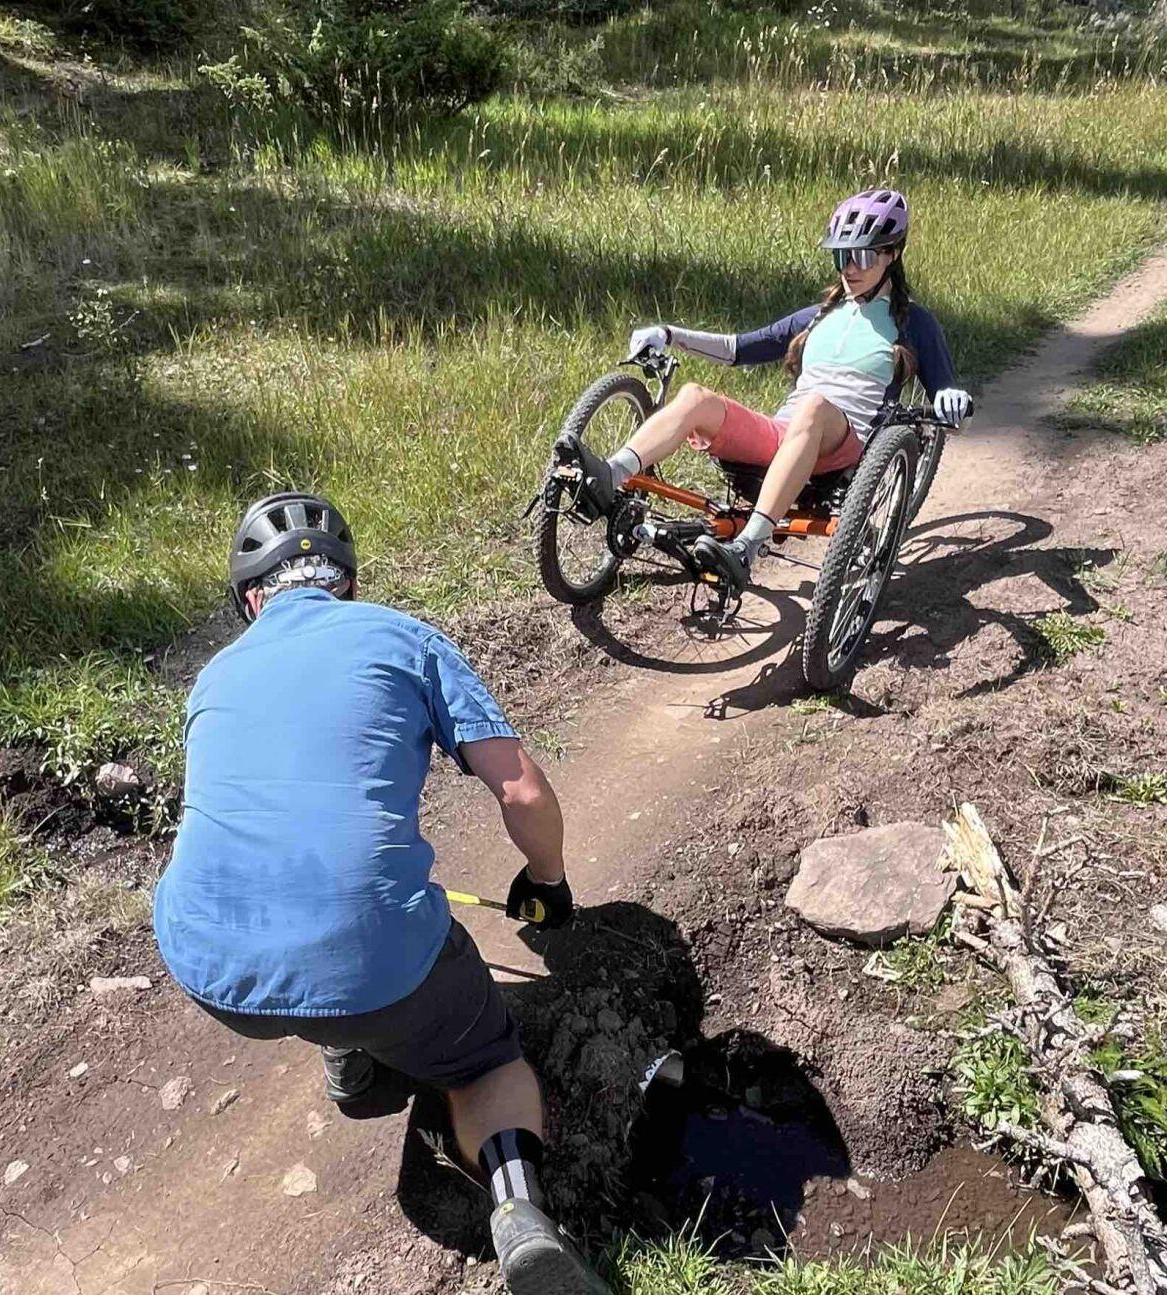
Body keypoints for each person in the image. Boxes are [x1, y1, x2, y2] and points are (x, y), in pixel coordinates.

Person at [152, 492, 608, 1295]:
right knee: (485, 1060)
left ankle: (346, 1050)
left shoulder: (212, 676)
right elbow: (523, 794)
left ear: (251, 598)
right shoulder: (402, 638)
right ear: (344, 585)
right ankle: (521, 1213)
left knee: (320, 935)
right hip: (364, 953)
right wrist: (547, 883)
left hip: (203, 958)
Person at [552, 187, 972, 596]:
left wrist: (950, 400)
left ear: (893, 254)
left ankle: (745, 548)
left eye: (861, 255)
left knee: (814, 407)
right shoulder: (820, 316)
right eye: (841, 255)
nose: (849, 267)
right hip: (789, 431)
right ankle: (611, 474)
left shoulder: (915, 323)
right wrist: (669, 333)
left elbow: (945, 391)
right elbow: (739, 348)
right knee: (697, 396)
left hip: (845, 442)